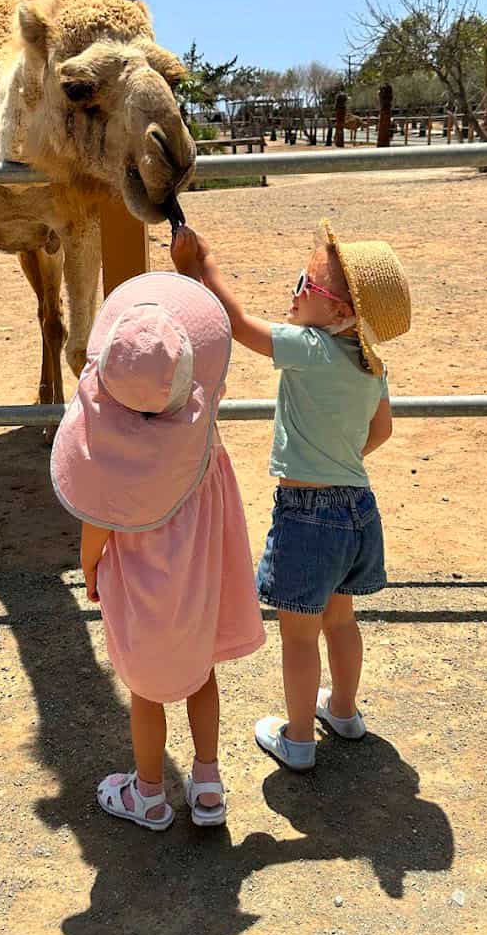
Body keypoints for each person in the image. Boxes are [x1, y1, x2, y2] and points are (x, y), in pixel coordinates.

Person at [171, 218, 410, 772]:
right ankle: (343, 711)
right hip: (357, 509)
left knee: (299, 636)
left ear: (341, 312)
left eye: (307, 285)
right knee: (341, 621)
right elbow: (382, 430)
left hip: (307, 516)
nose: (295, 292)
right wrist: (341, 457)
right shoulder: (371, 364)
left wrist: (203, 265)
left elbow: (237, 324)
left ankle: (299, 738)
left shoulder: (309, 346)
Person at [50, 272, 265, 829]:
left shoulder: (109, 469)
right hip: (197, 586)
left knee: (144, 692)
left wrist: (89, 568)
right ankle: (208, 786)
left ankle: (147, 794)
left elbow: (96, 530)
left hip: (141, 594)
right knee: (202, 674)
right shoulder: (205, 448)